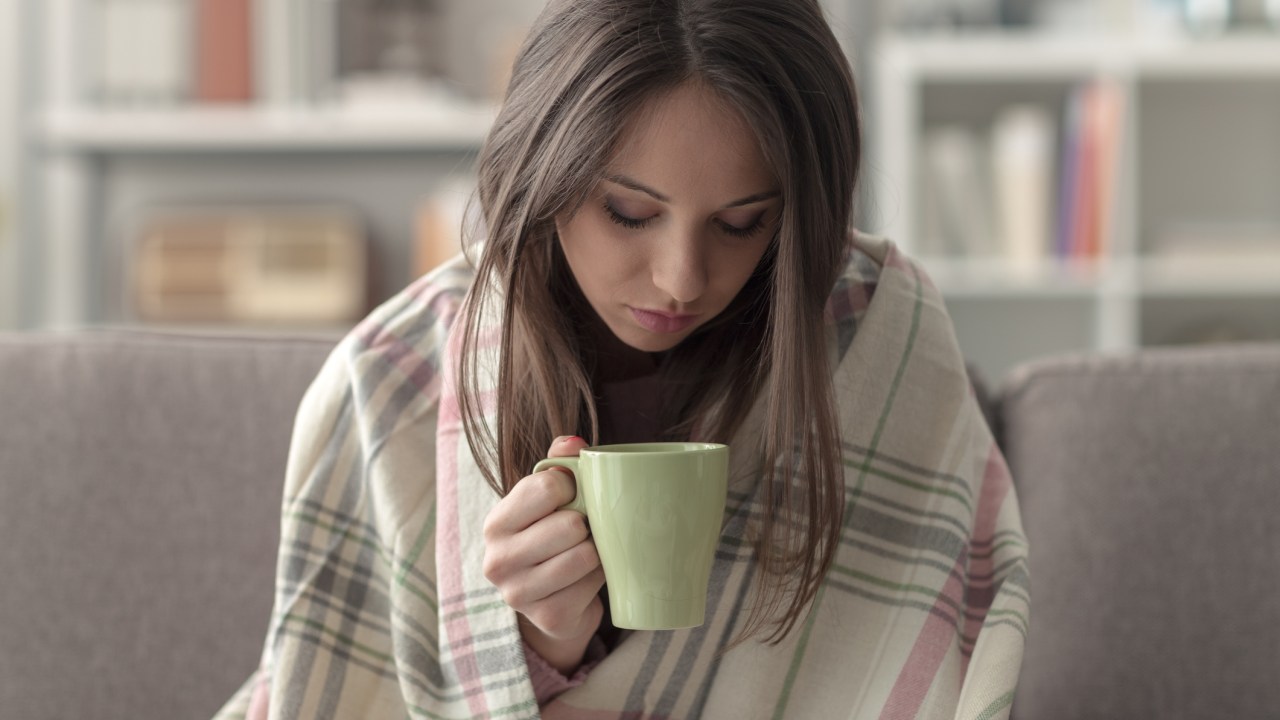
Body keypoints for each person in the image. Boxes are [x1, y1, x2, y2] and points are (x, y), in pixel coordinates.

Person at [215, 0, 1029, 718]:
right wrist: (534, 648)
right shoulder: (392, 381)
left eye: (742, 224)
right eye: (629, 211)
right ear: (542, 168)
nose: (682, 279)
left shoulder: (879, 335)